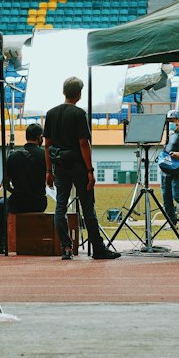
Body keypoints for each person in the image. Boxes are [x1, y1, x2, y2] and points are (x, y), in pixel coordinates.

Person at [44, 76, 119, 260]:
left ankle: (66, 247)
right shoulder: (79, 114)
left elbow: (47, 145)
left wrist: (48, 171)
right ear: (79, 94)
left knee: (60, 206)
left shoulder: (51, 113)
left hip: (60, 166)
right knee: (88, 207)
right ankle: (98, 249)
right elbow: (84, 144)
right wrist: (90, 171)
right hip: (78, 166)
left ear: (64, 92)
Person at [0, 123, 48, 253]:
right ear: (39, 137)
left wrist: (17, 192)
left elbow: (6, 184)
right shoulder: (44, 155)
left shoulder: (13, 156)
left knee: (2, 204)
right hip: (39, 202)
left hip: (18, 202)